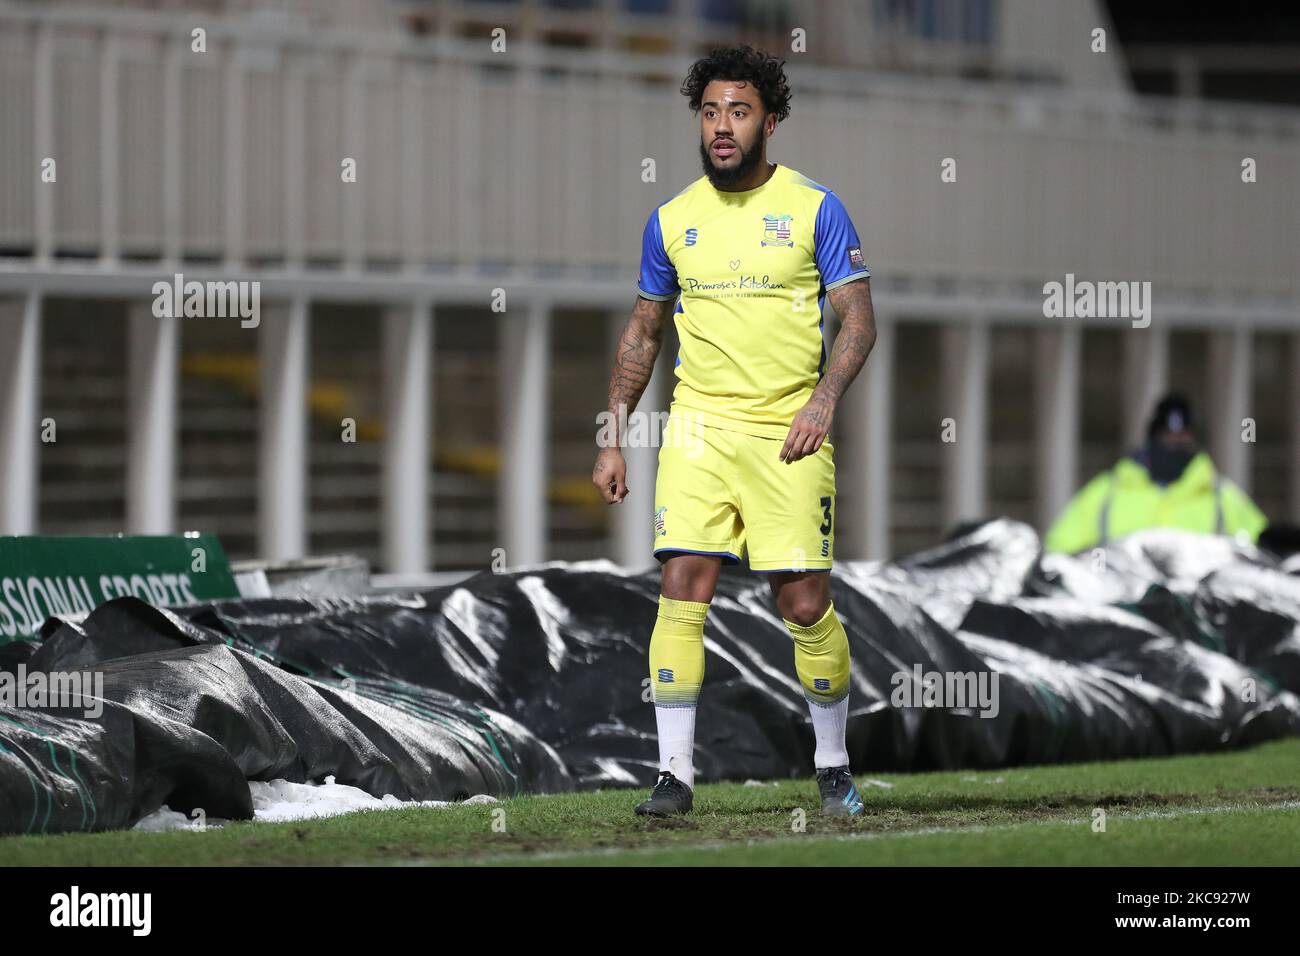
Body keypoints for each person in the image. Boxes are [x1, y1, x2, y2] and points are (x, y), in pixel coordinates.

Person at [591, 46, 878, 817]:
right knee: (682, 586)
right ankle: (674, 777)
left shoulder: (816, 208)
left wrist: (823, 402)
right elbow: (644, 334)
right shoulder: (672, 220)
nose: (722, 126)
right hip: (697, 433)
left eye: (739, 111)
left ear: (770, 121)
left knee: (804, 604)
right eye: (711, 111)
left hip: (790, 432)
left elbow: (857, 318)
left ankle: (832, 765)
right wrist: (612, 434)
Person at [1044, 394, 1268, 554]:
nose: (1174, 445)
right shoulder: (1104, 494)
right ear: (1151, 439)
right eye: (1166, 437)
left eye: (1183, 438)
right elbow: (1058, 553)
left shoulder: (1224, 499)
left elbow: (1263, 555)